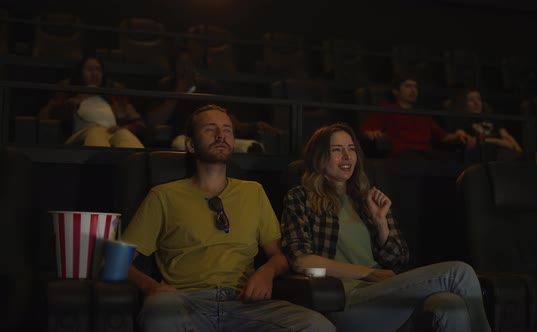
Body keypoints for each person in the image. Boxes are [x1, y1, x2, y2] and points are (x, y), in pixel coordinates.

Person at [121, 104, 335, 332]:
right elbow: (119, 262)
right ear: (191, 144)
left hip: (244, 303)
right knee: (160, 311)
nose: (221, 135)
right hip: (187, 301)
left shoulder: (253, 192)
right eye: (211, 129)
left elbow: (279, 256)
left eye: (227, 130)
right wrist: (151, 287)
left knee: (317, 326)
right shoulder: (163, 196)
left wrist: (266, 272)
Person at [281, 123, 492, 332]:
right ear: (319, 157)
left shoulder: (366, 199)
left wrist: (381, 222)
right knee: (459, 272)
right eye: (337, 150)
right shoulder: (301, 197)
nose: (347, 156)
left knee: (449, 305)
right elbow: (302, 261)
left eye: (351, 149)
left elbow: (398, 261)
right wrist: (368, 273)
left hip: (384, 296)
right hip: (342, 301)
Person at [146, 48, 282, 151]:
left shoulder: (208, 88)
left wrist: (255, 125)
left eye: (189, 64)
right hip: (185, 139)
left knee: (250, 147)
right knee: (180, 144)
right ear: (173, 67)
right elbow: (154, 121)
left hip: (217, 138)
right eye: (181, 64)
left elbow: (233, 124)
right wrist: (178, 91)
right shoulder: (165, 87)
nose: (185, 69)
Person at [38, 56, 145, 148]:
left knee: (124, 134)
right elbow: (44, 115)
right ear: (80, 73)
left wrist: (125, 127)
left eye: (98, 70)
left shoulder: (114, 99)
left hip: (111, 132)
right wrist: (76, 100)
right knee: (96, 132)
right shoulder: (70, 95)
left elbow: (139, 123)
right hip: (83, 133)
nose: (95, 74)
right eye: (89, 69)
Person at [361, 75, 474, 159]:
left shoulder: (423, 114)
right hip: (402, 155)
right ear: (395, 91)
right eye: (408, 86)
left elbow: (442, 136)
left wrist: (458, 134)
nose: (413, 90)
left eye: (415, 87)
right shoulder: (387, 108)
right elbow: (368, 130)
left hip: (426, 154)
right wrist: (372, 133)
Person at [446, 88, 523, 161]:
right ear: (463, 104)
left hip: (502, 151)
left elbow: (506, 136)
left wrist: (519, 151)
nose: (476, 103)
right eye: (471, 100)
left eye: (479, 99)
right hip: (482, 153)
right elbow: (467, 141)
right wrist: (498, 141)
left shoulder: (491, 119)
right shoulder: (462, 121)